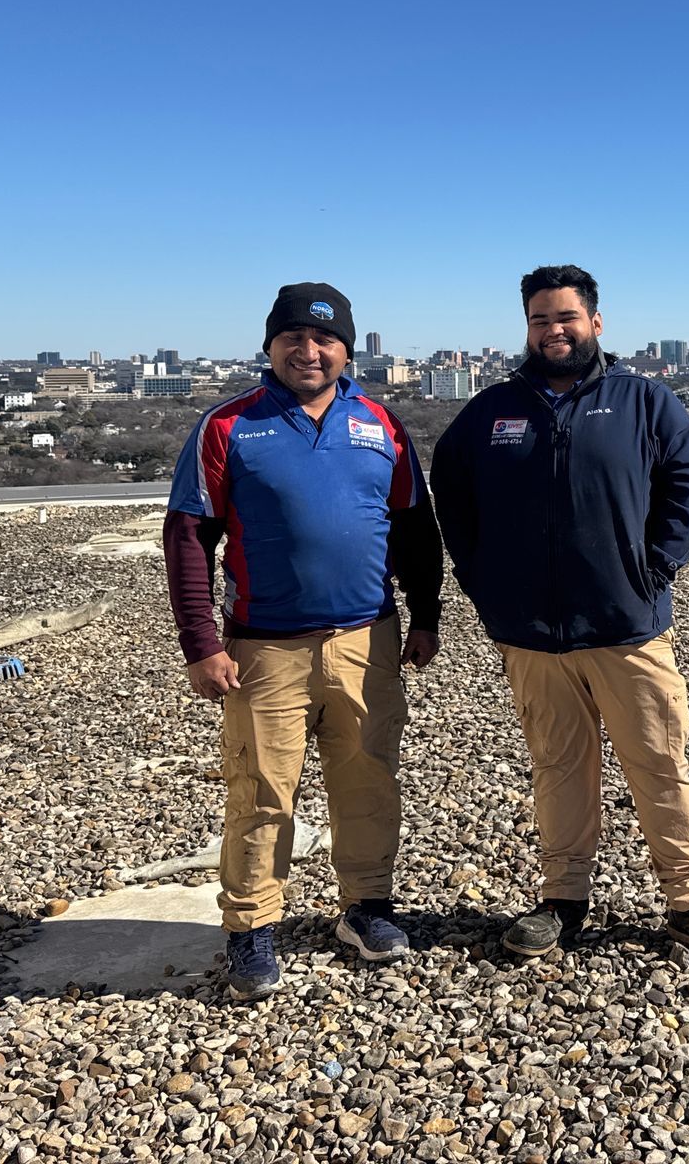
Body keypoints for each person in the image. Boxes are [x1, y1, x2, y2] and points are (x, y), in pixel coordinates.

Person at [430, 264, 689, 964]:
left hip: (628, 626)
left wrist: (656, 567)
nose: (554, 330)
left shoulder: (643, 401)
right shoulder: (491, 412)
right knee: (558, 767)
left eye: (566, 317)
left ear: (595, 323)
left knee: (659, 763)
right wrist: (481, 578)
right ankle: (562, 899)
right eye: (541, 319)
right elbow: (449, 494)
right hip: (532, 636)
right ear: (527, 327)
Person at [164, 282, 443, 1000]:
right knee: (260, 790)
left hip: (367, 638)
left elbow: (414, 526)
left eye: (324, 339)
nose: (308, 350)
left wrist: (427, 614)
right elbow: (190, 536)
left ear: (347, 350)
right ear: (271, 345)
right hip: (264, 648)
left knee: (369, 781)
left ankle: (366, 909)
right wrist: (201, 642)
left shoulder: (382, 424)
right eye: (293, 337)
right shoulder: (228, 425)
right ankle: (251, 928)